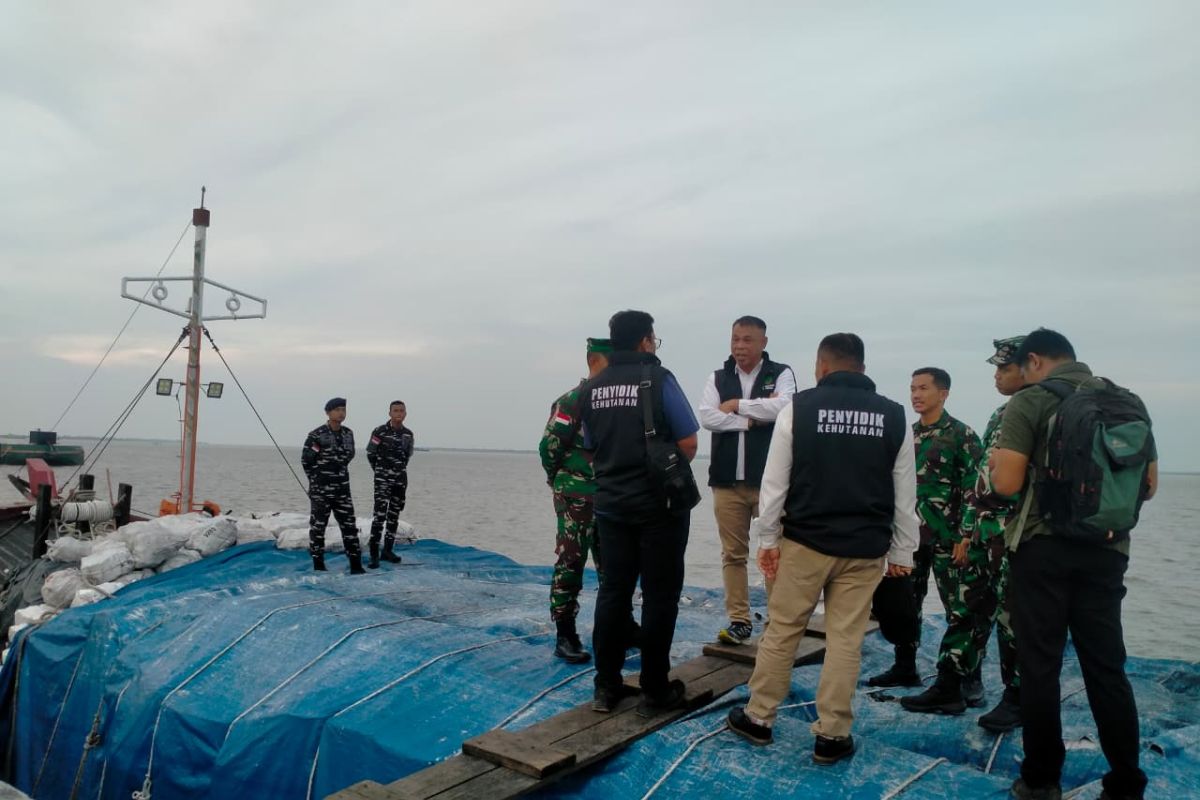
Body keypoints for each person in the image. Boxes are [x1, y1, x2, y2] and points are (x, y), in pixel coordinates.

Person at [726, 333, 919, 765]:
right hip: (865, 550)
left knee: (783, 630)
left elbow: (775, 483)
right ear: (863, 369)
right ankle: (832, 735)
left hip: (805, 544)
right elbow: (905, 494)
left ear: (821, 367)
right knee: (845, 641)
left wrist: (768, 539)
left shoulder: (800, 408)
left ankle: (759, 718)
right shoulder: (895, 416)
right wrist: (903, 554)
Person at [991, 329, 1156, 800]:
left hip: (1043, 550)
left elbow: (1006, 483)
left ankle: (1042, 780)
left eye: (1022, 367)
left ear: (1036, 361)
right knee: (1107, 668)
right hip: (1107, 551)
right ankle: (1126, 782)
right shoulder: (1128, 401)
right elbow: (1149, 484)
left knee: (1040, 667)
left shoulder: (1030, 402)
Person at [581, 310, 700, 717]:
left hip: (611, 506)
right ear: (647, 340)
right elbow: (687, 442)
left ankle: (606, 685)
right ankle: (654, 688)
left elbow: (591, 445)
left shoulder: (592, 388)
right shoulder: (659, 379)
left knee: (613, 592)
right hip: (658, 508)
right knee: (659, 596)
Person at [869, 368, 983, 712]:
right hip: (911, 539)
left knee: (961, 610)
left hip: (950, 540)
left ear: (943, 393)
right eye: (912, 389)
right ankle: (905, 667)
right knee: (906, 606)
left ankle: (968, 678)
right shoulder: (907, 435)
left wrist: (967, 535)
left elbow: (975, 489)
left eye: (923, 388)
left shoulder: (962, 435)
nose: (916, 395)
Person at [698, 315, 796, 645]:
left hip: (769, 483)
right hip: (727, 482)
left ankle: (778, 619)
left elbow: (785, 408)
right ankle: (739, 619)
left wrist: (738, 405)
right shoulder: (718, 376)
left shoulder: (780, 374)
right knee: (732, 554)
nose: (740, 346)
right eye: (735, 339)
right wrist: (750, 421)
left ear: (763, 343)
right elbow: (707, 417)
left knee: (775, 551)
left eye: (747, 340)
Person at [960, 337, 1027, 732]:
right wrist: (968, 532)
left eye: (1003, 369)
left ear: (1029, 366)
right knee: (972, 607)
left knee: (1013, 619)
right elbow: (981, 477)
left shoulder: (1038, 412)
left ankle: (1017, 696)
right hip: (986, 535)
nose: (996, 376)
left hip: (1015, 535)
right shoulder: (1005, 412)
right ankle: (962, 679)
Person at [538, 337, 611, 663]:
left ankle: (619, 626)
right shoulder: (573, 401)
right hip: (577, 496)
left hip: (611, 496)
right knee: (571, 562)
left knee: (615, 567)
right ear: (597, 361)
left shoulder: (615, 402)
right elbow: (549, 449)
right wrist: (562, 482)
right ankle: (565, 632)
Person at [302, 398, 364, 574]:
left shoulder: (348, 433)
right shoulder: (317, 435)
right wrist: (315, 482)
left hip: (342, 489)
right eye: (337, 410)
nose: (341, 413)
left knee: (349, 526)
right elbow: (307, 461)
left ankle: (355, 563)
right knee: (318, 527)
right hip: (321, 490)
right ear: (328, 413)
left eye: (343, 409)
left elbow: (349, 455)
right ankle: (318, 563)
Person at [366, 401, 414, 569]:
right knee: (379, 516)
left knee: (394, 516)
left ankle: (387, 550)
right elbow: (370, 453)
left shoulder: (408, 434)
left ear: (405, 414)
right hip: (382, 480)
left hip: (400, 480)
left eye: (402, 411)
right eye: (396, 411)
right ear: (390, 413)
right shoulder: (380, 431)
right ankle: (374, 554)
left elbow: (407, 456)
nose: (399, 413)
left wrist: (397, 471)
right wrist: (380, 471)